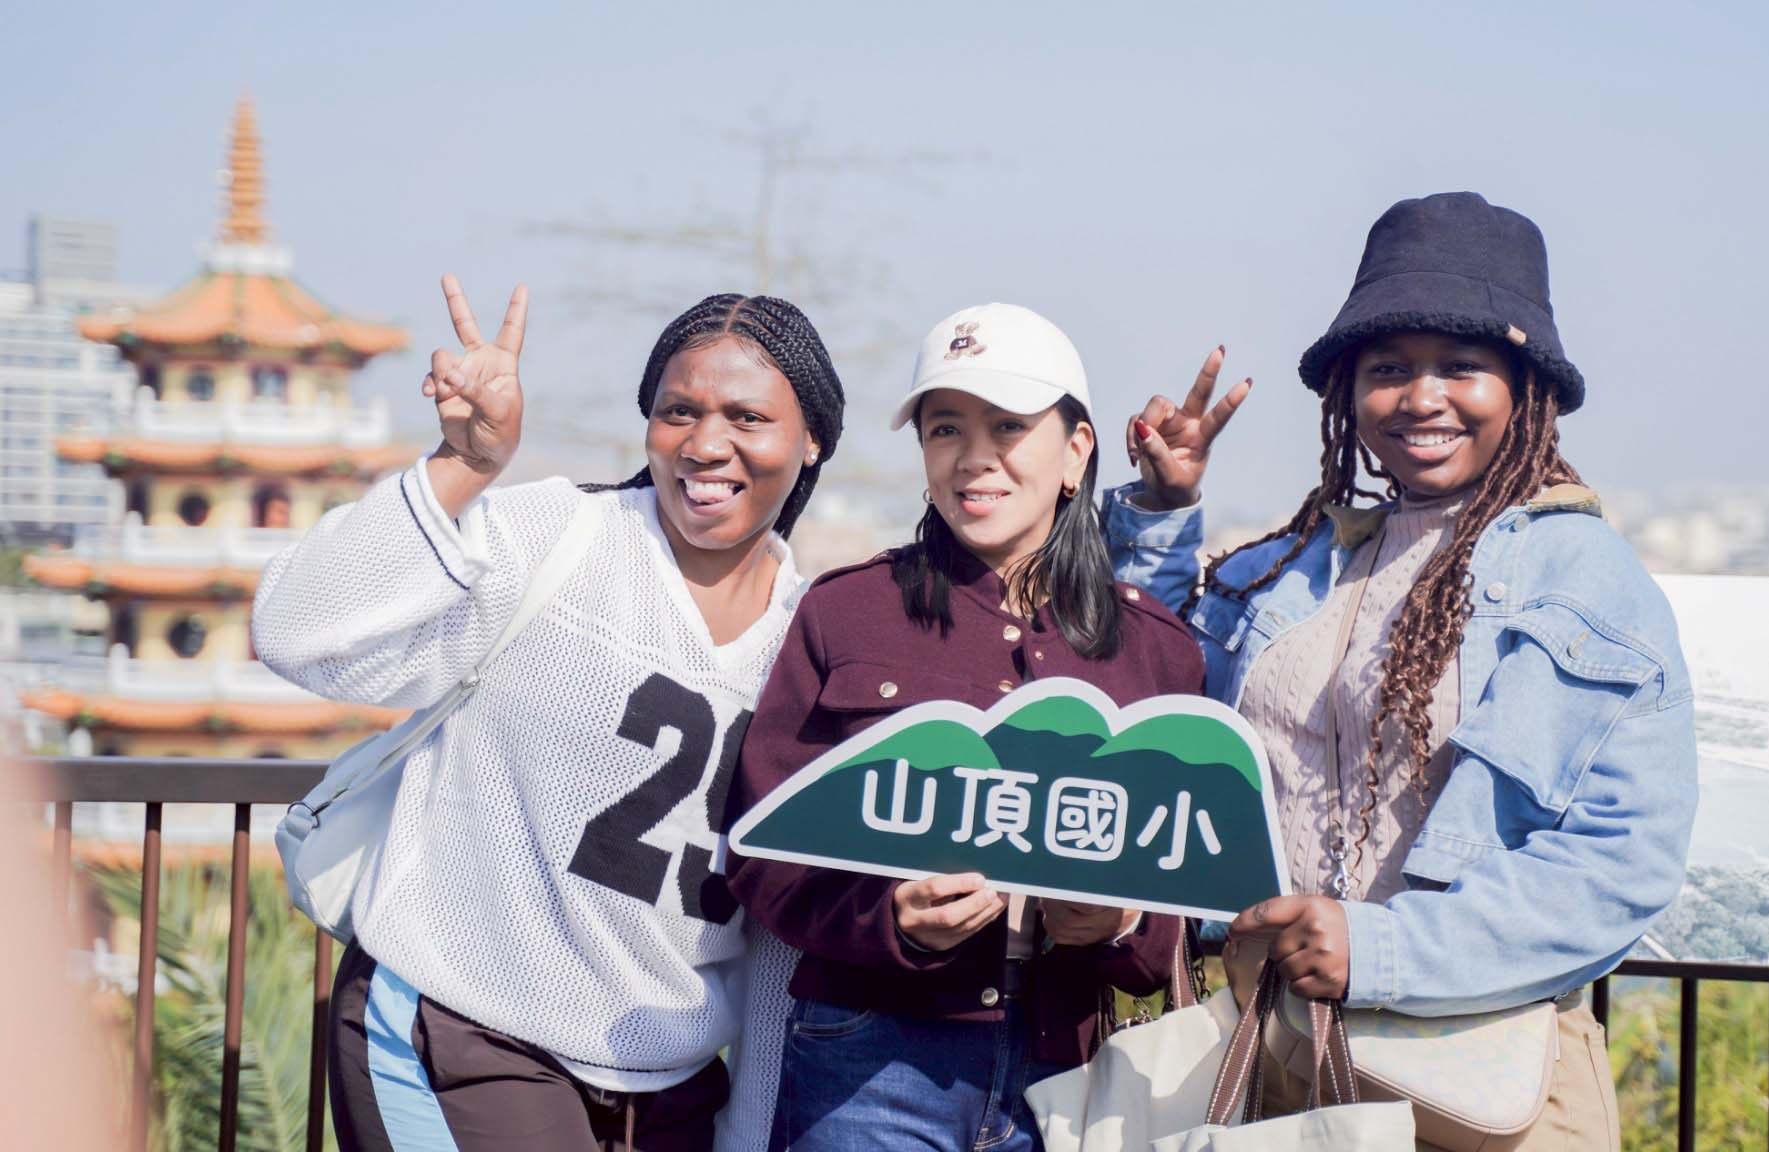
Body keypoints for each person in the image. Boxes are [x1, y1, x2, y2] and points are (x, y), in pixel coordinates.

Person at [1105, 192, 1698, 1149]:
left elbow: (1620, 864)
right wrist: (1163, 509)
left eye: (1461, 366)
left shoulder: (1583, 578)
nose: (1422, 397)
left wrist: (1380, 949)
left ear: (1525, 388)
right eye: (1389, 368)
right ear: (1349, 392)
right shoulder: (1304, 564)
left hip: (1487, 1083)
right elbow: (1156, 691)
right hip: (1280, 1056)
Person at [254, 277, 845, 1152]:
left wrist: (749, 1130)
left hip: (668, 1087)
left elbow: (775, 935)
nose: (704, 443)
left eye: (747, 418)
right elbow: (295, 630)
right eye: (678, 412)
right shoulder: (559, 537)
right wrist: (463, 466)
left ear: (812, 441)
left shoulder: (813, 643)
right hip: (461, 1030)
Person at [725, 303, 1206, 1152]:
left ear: (1077, 452)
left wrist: (1120, 926)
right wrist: (891, 918)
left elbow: (1186, 884)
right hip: (868, 1061)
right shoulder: (848, 612)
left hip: (1070, 1074)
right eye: (945, 428)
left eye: (1009, 426)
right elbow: (762, 851)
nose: (974, 456)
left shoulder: (1156, 650)